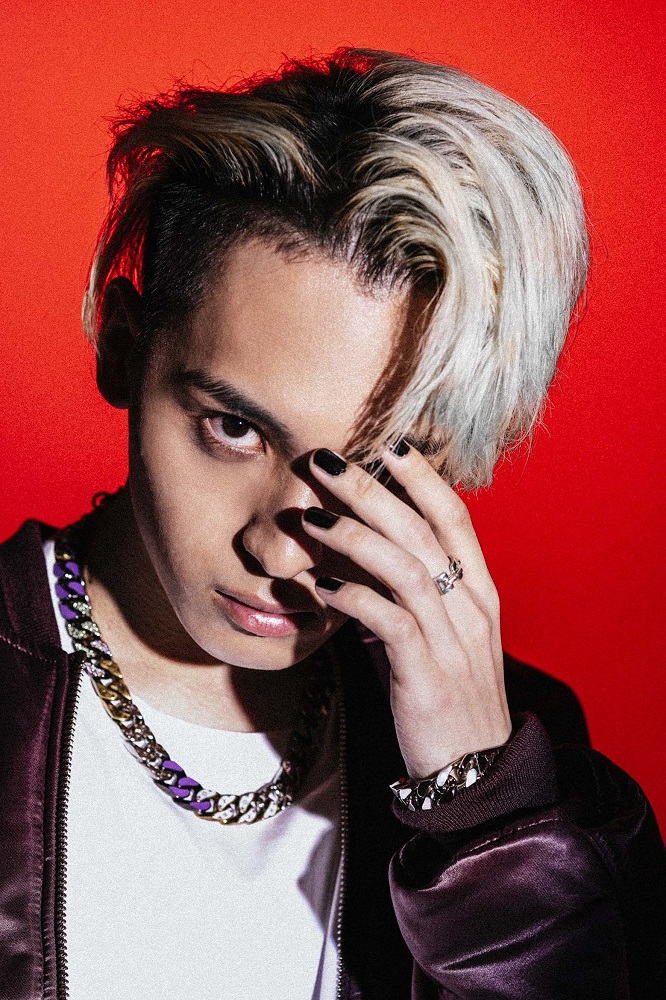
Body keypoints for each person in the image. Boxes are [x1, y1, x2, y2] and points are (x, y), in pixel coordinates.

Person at [0, 47, 663, 1000]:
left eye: (377, 462)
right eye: (234, 429)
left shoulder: (524, 775)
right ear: (122, 348)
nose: (283, 547)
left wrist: (483, 817)